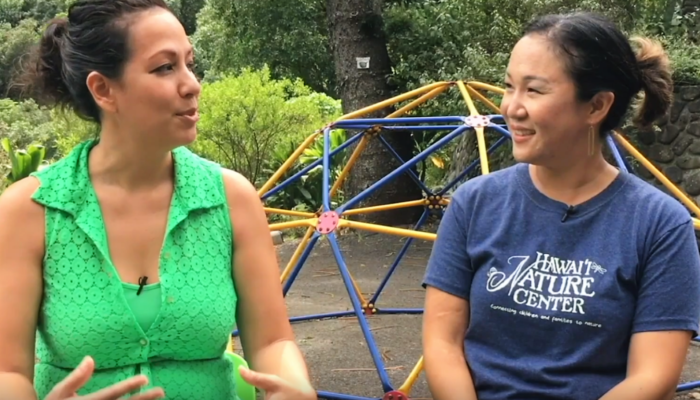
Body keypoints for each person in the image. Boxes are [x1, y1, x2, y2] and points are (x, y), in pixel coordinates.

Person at [0, 1, 316, 399]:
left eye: (189, 63)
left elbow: (272, 342)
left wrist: (294, 387)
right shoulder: (30, 210)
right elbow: (7, 370)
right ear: (103, 89)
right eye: (165, 68)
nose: (192, 84)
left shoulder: (231, 199)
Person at [421, 11, 700, 400]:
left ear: (596, 106)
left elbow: (653, 377)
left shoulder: (660, 224)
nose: (512, 107)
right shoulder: (474, 203)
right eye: (509, 86)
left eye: (534, 91)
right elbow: (442, 344)